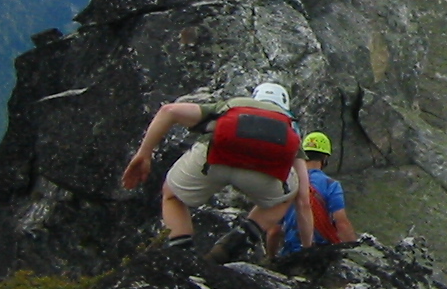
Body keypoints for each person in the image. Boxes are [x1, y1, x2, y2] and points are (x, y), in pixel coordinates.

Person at [121, 81, 313, 261]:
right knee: (286, 197)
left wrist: (144, 154)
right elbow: (303, 199)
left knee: (172, 196)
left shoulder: (233, 105)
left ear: (255, 98)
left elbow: (168, 111)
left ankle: (182, 256)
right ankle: (232, 245)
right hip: (261, 174)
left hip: (213, 160)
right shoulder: (289, 127)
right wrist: (308, 249)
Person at [274, 131, 357, 255]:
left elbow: (274, 231)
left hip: (290, 253)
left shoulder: (288, 183)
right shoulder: (331, 185)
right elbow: (341, 223)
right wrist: (356, 251)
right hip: (320, 254)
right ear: (325, 158)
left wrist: (270, 258)